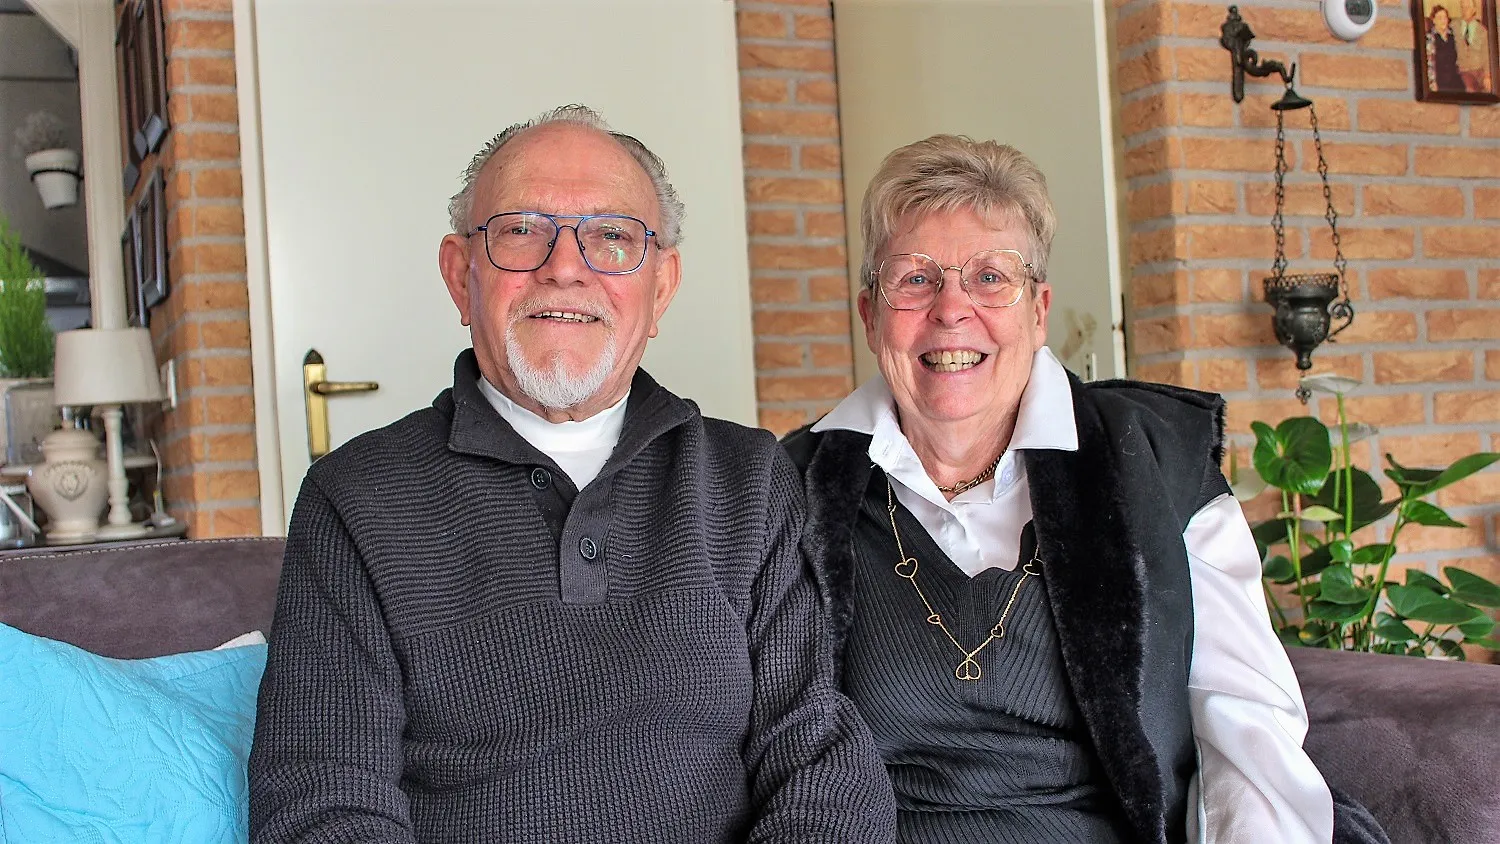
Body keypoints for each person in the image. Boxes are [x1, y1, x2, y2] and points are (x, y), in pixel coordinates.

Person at [248, 104, 896, 842]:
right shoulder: (354, 498)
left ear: (662, 287)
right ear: (461, 277)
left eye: (611, 238)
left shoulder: (749, 480)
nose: (564, 268)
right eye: (521, 231)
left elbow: (819, 760)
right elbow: (322, 804)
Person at [782, 134, 1389, 843]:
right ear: (869, 314)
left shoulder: (1156, 462)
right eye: (914, 279)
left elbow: (1243, 725)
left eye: (990, 277)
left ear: (1039, 310)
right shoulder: (797, 486)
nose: (951, 309)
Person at [1456, 0, 1491, 92]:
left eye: (1467, 7)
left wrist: (1487, 75)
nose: (1464, 10)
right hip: (1464, 70)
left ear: (1474, 10)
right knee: (1469, 90)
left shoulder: (1482, 31)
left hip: (1480, 70)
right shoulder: (1454, 26)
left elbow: (1486, 54)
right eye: (1462, 7)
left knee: (1490, 89)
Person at [1430, 5, 1465, 91]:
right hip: (1439, 79)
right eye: (1439, 18)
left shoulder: (1453, 36)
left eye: (1445, 17)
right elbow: (1429, 63)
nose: (1443, 21)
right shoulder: (1430, 38)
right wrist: (1432, 82)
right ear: (1433, 20)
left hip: (1454, 77)